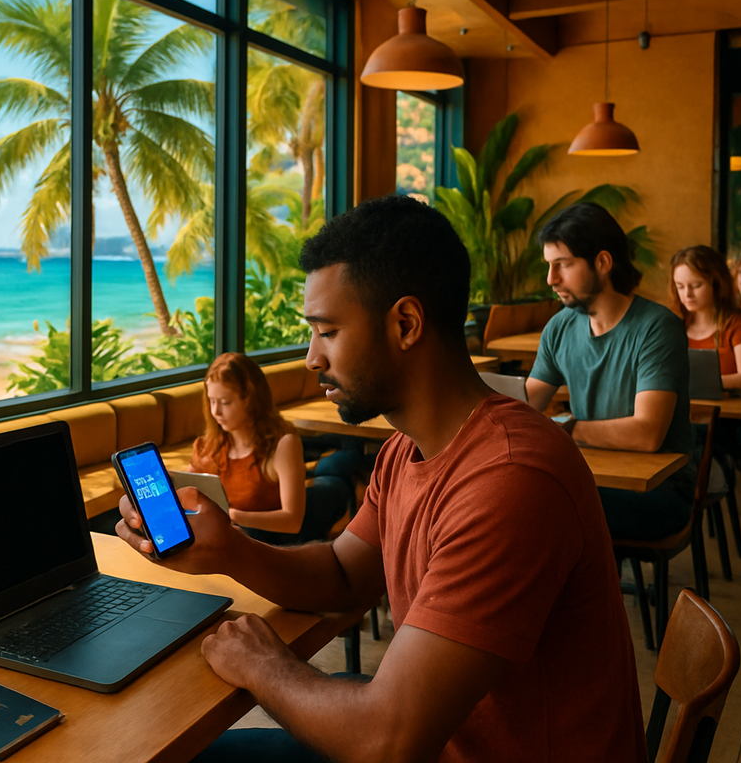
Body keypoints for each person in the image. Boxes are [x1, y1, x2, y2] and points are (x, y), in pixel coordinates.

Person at [117, 194, 646, 762]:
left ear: (406, 324)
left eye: (327, 332)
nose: (311, 359)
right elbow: (345, 572)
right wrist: (230, 549)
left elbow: (386, 740)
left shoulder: (512, 478)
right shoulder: (406, 448)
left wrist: (264, 664)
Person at [525, 203, 695, 542]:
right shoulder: (560, 327)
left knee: (537, 509)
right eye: (549, 266)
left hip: (661, 490)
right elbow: (525, 405)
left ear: (602, 263)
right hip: (590, 476)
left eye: (563, 265)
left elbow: (647, 435)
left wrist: (566, 428)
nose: (550, 279)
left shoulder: (657, 328)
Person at [190, 352, 354, 545]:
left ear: (250, 399)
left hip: (284, 536)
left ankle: (350, 450)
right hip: (237, 542)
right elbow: (186, 494)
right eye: (211, 401)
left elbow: (293, 522)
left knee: (335, 474)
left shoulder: (283, 445)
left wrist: (235, 516)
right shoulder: (206, 447)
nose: (216, 411)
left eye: (225, 402)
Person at [671, 245, 741, 391]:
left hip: (728, 410)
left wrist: (693, 383)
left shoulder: (739, 323)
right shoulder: (675, 325)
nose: (687, 294)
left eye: (696, 285)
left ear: (717, 284)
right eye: (680, 286)